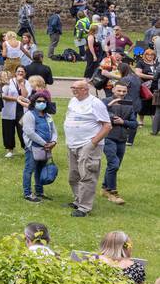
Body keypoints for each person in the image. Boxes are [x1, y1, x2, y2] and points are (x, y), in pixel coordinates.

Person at [64, 79, 112, 218]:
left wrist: (92, 143)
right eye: (72, 87)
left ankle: (84, 207)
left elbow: (107, 126)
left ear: (85, 89)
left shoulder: (95, 103)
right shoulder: (73, 101)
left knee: (87, 175)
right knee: (73, 176)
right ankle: (78, 200)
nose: (73, 90)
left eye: (76, 88)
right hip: (72, 144)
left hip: (88, 145)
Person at [101, 81, 136, 205]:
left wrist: (123, 122)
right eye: (119, 91)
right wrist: (112, 117)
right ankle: (112, 192)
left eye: (124, 91)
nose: (121, 93)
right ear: (113, 90)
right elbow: (100, 116)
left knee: (114, 166)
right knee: (114, 164)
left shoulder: (129, 105)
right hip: (107, 137)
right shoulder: (105, 101)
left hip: (121, 139)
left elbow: (134, 124)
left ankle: (105, 188)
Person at [21, 89, 58, 202]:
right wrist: (45, 143)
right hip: (33, 147)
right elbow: (30, 132)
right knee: (29, 169)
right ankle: (27, 193)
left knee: (40, 169)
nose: (41, 103)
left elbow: (54, 131)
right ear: (34, 102)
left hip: (45, 148)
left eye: (44, 101)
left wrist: (53, 142)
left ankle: (39, 191)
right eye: (39, 101)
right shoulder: (29, 115)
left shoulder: (48, 116)